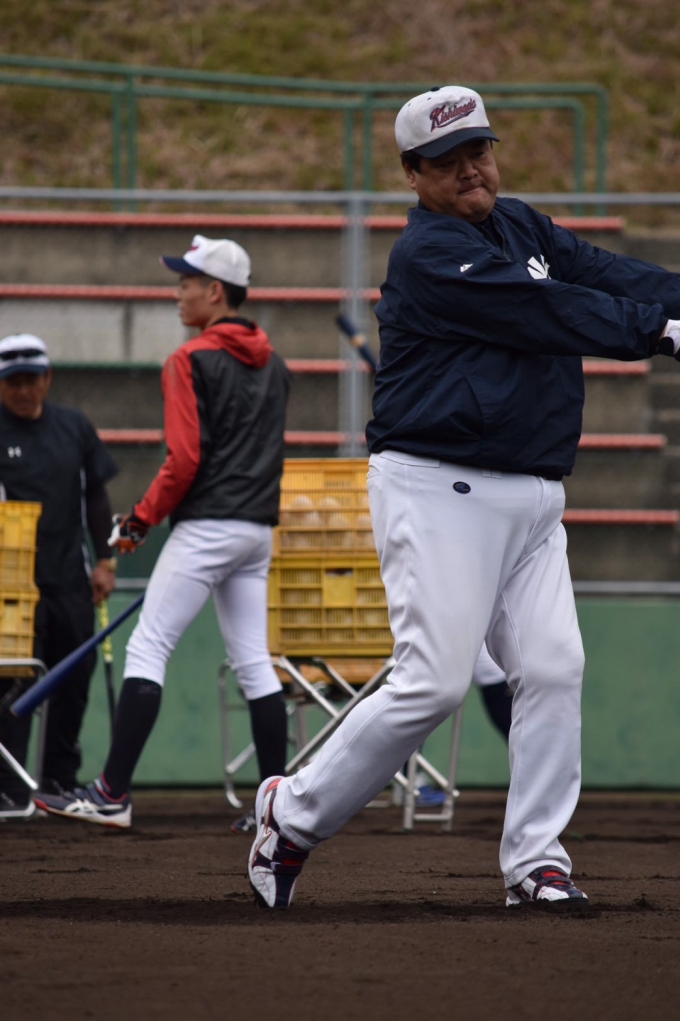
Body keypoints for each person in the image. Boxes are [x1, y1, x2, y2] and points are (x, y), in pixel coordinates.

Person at [244, 84, 680, 911]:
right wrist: (659, 333)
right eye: (447, 160)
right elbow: (548, 309)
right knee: (435, 682)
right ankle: (290, 814)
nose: (471, 168)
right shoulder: (429, 253)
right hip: (438, 488)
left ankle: (537, 860)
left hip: (534, 494)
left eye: (478, 149)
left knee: (553, 668)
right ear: (414, 175)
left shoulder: (519, 225)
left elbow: (608, 273)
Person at [35, 236, 291, 830]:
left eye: (186, 283)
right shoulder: (276, 364)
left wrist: (139, 522)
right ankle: (277, 808)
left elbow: (184, 460)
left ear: (215, 292)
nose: (178, 293)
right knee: (254, 663)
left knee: (148, 647)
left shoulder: (188, 359)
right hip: (256, 531)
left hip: (208, 527)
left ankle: (111, 793)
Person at [0, 334, 118, 816]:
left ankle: (58, 781)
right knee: (12, 683)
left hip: (70, 576)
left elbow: (96, 496)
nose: (23, 391)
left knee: (72, 681)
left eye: (31, 380)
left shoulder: (74, 427)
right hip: (11, 585)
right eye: (13, 383)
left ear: (47, 379)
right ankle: (9, 786)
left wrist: (106, 560)